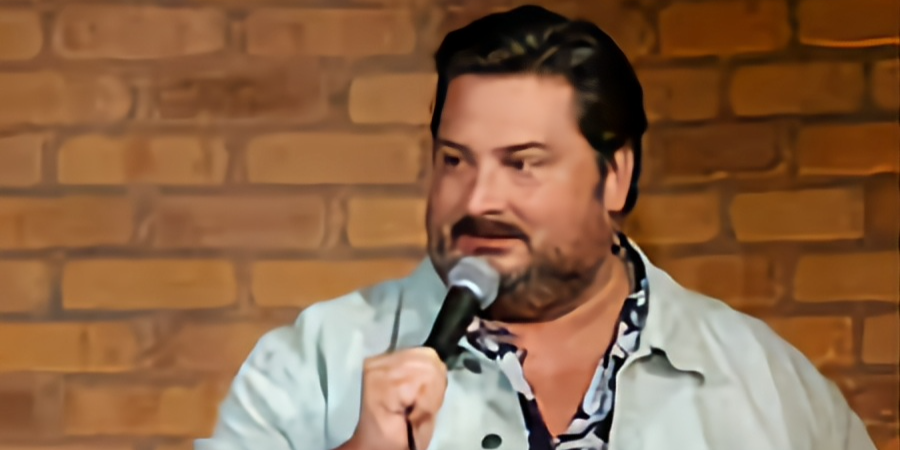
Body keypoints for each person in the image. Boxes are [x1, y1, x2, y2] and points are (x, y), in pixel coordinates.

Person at [196, 5, 875, 450]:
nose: (479, 198)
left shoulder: (767, 386)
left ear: (614, 176)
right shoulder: (312, 365)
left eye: (522, 164)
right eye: (455, 160)